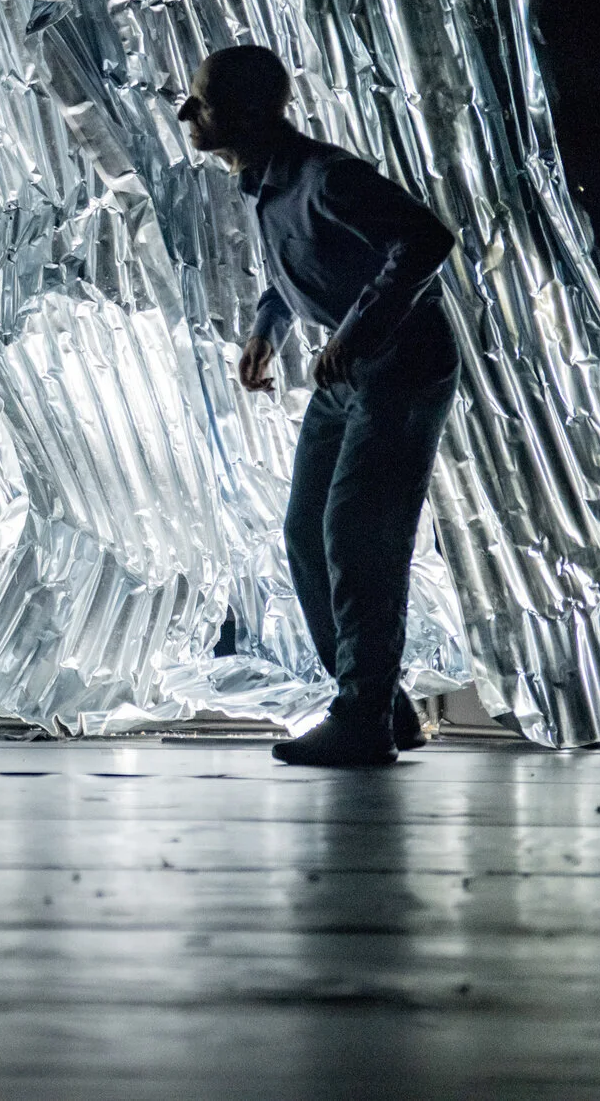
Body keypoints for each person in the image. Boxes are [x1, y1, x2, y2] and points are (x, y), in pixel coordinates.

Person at [179, 45, 460, 767]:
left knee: (358, 532)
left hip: (403, 366)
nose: (185, 112)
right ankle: (380, 705)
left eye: (201, 101)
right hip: (352, 376)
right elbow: (296, 265)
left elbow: (426, 239)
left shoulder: (327, 176)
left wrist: (358, 328)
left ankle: (361, 718)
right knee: (308, 531)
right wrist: (266, 330)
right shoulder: (266, 186)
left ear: (247, 113)